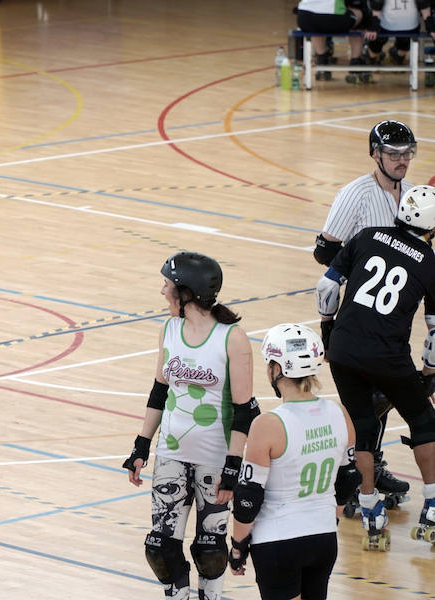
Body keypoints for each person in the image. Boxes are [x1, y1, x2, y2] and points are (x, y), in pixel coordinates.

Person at [122, 251, 258, 600]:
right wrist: (141, 446)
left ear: (187, 292)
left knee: (210, 550)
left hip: (215, 458)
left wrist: (233, 466)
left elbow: (244, 411)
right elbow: (159, 391)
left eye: (167, 286)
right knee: (159, 547)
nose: (162, 292)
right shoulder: (169, 329)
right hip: (171, 452)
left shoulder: (232, 337)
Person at [316, 184, 435, 550]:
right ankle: (432, 504)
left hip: (343, 350)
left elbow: (326, 286)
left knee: (363, 427)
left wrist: (327, 326)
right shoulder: (430, 262)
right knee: (424, 420)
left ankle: (369, 505)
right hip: (387, 356)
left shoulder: (367, 236)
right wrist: (430, 373)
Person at [312, 120, 417, 512]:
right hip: (356, 314)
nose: (402, 160)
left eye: (408, 153)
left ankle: (370, 466)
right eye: (394, 154)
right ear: (375, 154)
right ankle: (348, 475)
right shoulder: (355, 195)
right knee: (364, 402)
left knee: (382, 397)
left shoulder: (410, 195)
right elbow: (325, 253)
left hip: (391, 316)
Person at [227, 324, 358, 598]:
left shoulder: (268, 424)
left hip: (278, 541)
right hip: (323, 539)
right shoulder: (339, 413)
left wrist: (238, 545)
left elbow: (248, 498)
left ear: (276, 369)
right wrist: (327, 520)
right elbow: (347, 480)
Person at [296, 0, 369, 81]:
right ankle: (355, 64)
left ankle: (322, 61)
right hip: (333, 19)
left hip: (304, 17)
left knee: (316, 24)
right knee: (359, 12)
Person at [364, 1, 435, 67]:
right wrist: (431, 28)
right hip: (410, 27)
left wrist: (373, 27)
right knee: (405, 38)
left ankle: (373, 57)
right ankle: (399, 55)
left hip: (385, 26)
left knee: (378, 39)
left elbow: (376, 9)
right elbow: (425, 11)